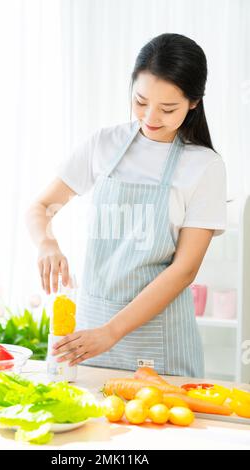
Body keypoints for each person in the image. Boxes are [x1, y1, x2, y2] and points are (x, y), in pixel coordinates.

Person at [26, 33, 227, 377]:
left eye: (167, 109)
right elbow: (41, 207)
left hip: (160, 346)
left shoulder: (204, 166)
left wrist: (112, 332)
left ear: (194, 102)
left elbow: (184, 271)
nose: (150, 117)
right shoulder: (104, 143)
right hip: (88, 338)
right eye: (140, 101)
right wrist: (46, 243)